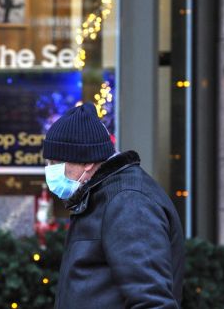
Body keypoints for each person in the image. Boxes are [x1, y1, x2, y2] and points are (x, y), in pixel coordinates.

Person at [42, 102, 185, 308]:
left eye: (56, 162)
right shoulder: (103, 196)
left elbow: (152, 301)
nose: (50, 171)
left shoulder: (129, 202)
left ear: (87, 162)